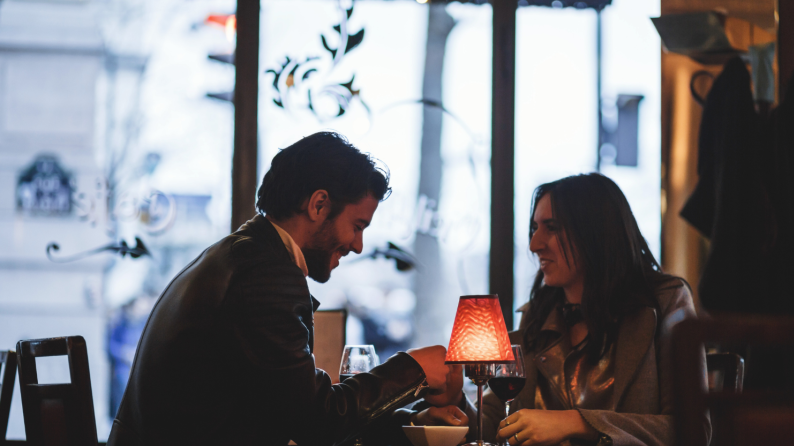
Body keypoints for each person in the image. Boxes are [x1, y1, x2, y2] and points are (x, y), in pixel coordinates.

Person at [108, 132, 464, 446]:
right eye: (357, 226)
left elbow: (289, 410)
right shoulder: (264, 274)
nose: (358, 245)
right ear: (319, 205)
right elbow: (317, 422)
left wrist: (412, 423)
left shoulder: (241, 256)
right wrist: (414, 369)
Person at [424, 173, 711, 446]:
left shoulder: (664, 303)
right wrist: (457, 404)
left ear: (596, 233)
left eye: (552, 228)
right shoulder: (538, 317)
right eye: (535, 228)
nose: (534, 244)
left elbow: (693, 431)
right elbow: (497, 426)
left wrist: (576, 422)